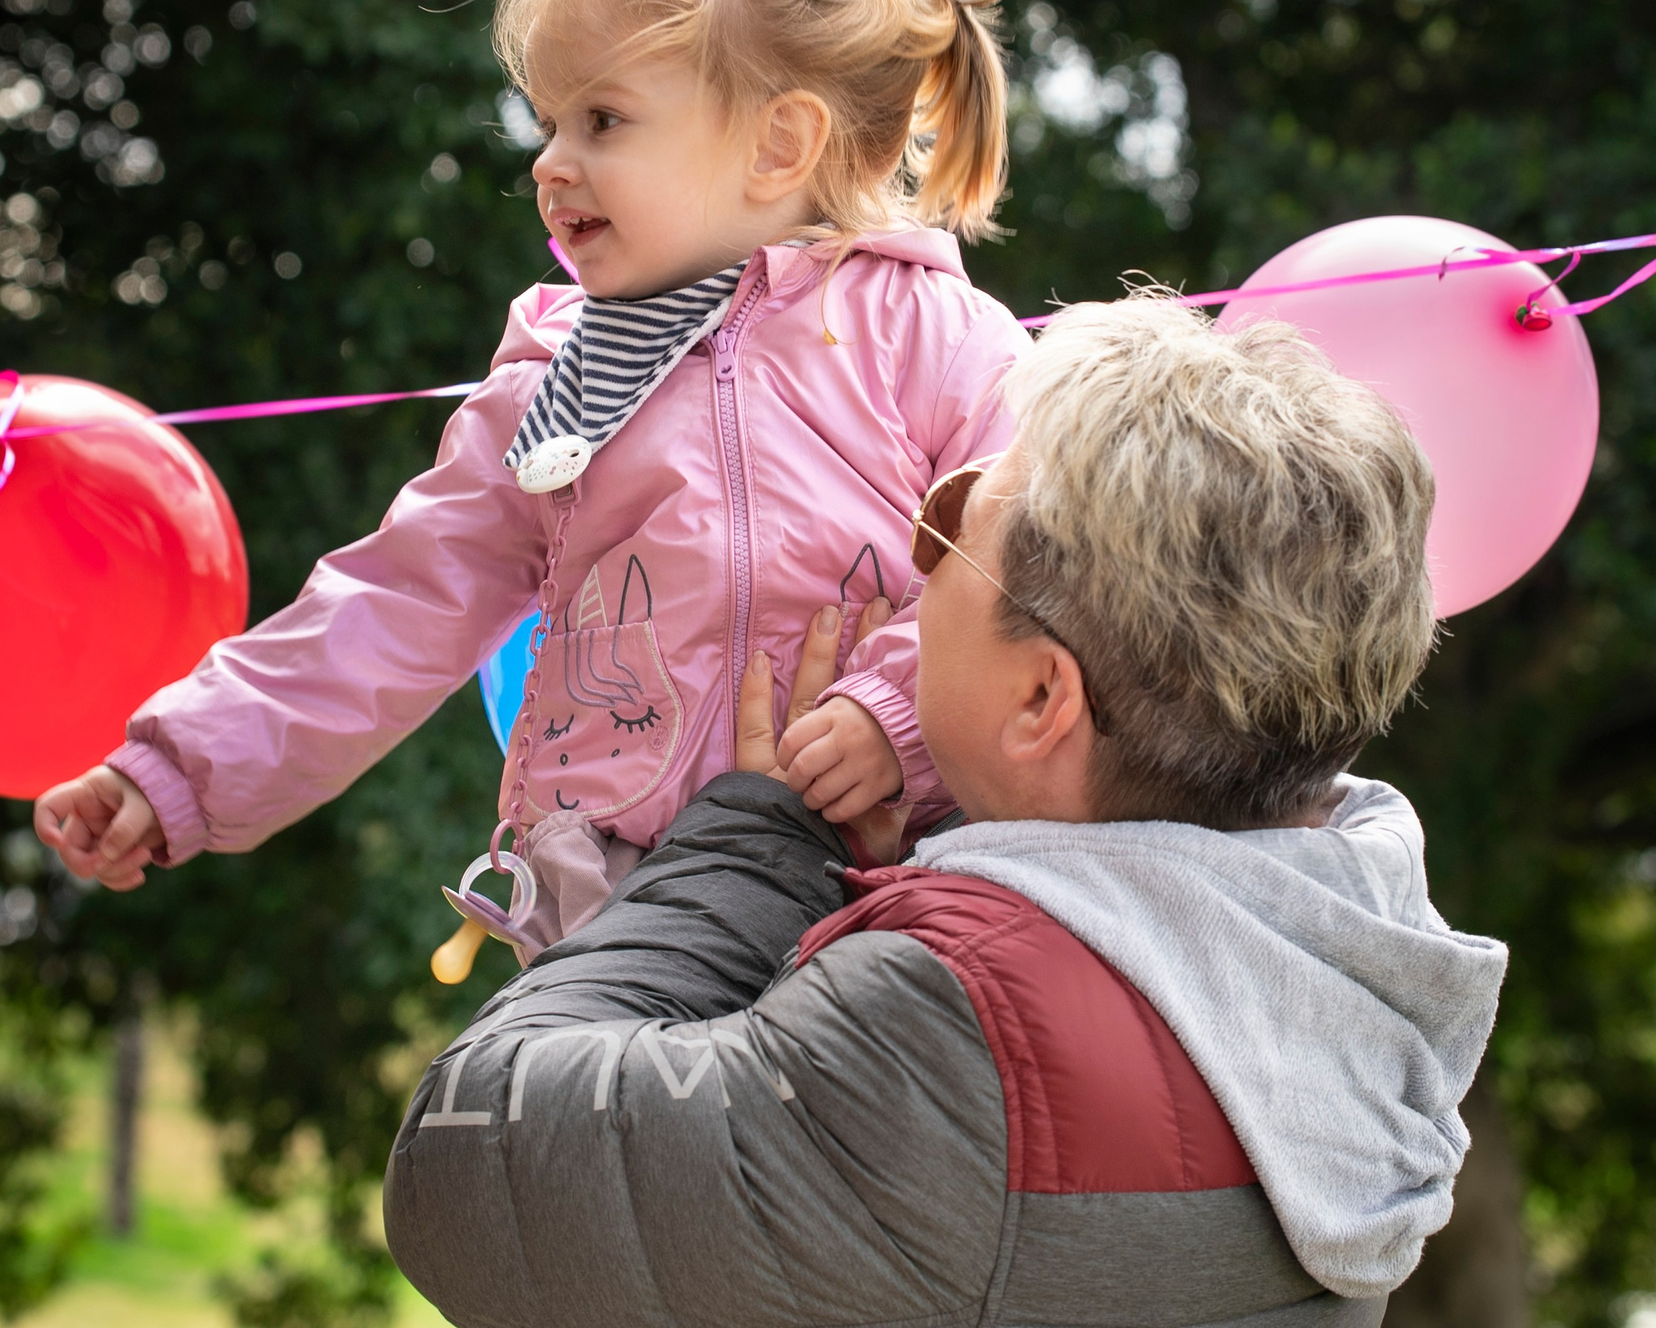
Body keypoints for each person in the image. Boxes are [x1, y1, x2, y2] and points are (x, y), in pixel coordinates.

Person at [381, 293, 1511, 1328]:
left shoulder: (948, 1025)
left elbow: (465, 1163)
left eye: (956, 520)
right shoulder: (1365, 961)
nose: (917, 548)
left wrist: (759, 839)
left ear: (1039, 699)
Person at [34, 0, 1033, 968]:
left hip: (889, 877)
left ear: (779, 143)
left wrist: (895, 717)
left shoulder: (932, 339)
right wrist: (173, 769)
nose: (550, 163)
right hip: (617, 903)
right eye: (547, 121)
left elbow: (1033, 565)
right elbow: (395, 600)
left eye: (601, 121)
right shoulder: (558, 381)